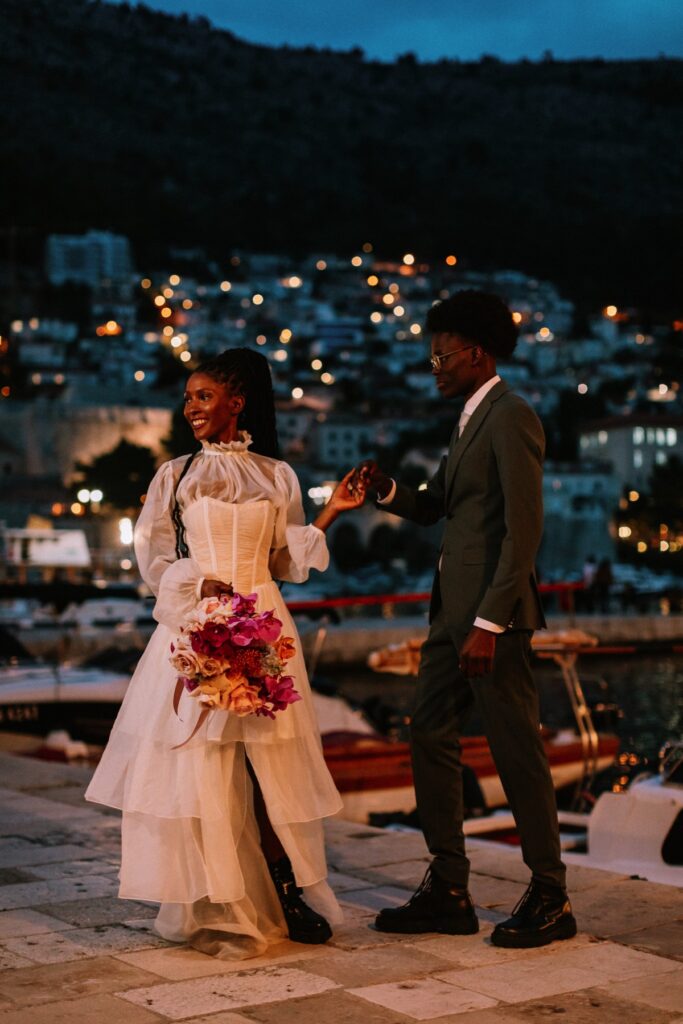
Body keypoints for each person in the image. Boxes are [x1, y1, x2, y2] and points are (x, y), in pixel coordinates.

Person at [86, 348, 366, 959]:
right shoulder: (176, 475)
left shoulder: (277, 475)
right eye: (188, 397)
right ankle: (216, 895)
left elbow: (285, 564)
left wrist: (333, 513)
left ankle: (285, 887)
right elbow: (153, 558)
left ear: (237, 402)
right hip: (200, 623)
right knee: (206, 766)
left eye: (203, 396)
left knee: (270, 769)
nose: (191, 407)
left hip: (265, 624)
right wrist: (194, 584)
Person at [358, 290, 575, 948]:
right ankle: (450, 889)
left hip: (489, 619)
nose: (433, 365)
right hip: (450, 616)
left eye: (441, 354)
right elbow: (435, 507)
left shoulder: (510, 416)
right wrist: (386, 490)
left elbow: (522, 529)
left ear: (475, 354)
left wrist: (488, 622)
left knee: (515, 749)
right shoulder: (468, 419)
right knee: (427, 730)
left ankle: (550, 895)